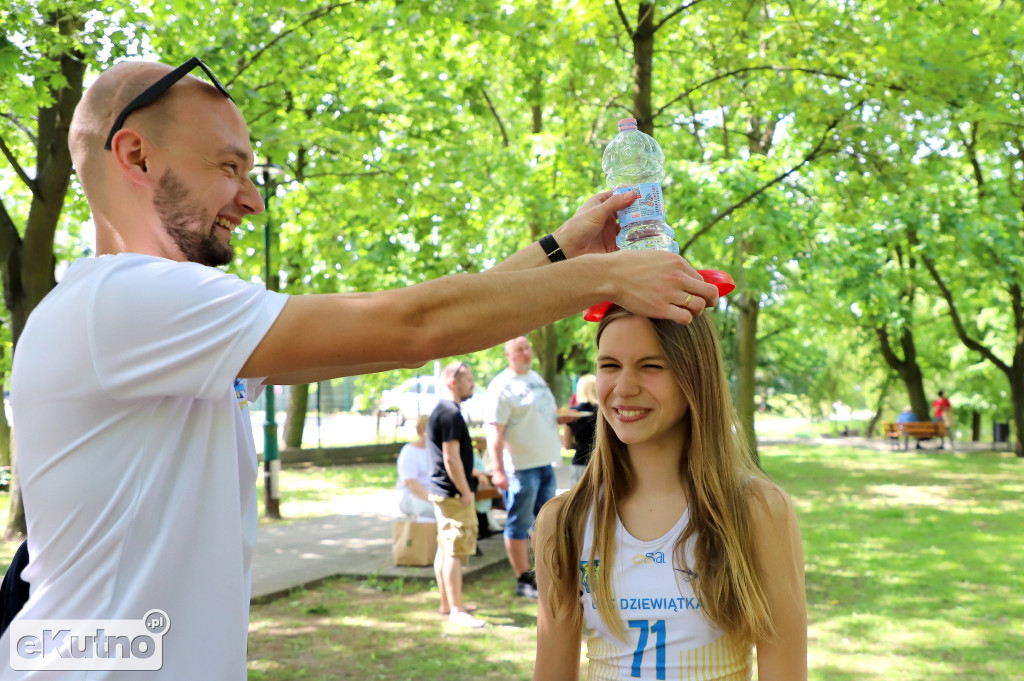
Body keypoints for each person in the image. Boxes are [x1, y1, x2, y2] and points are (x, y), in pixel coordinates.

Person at [0, 58, 718, 678]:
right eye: (229, 166)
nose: (250, 200)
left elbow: (414, 325)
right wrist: (613, 278)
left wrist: (562, 252)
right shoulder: (125, 302)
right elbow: (410, 325)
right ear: (136, 155)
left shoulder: (156, 329)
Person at [533, 306, 807, 681]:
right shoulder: (565, 519)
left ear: (695, 376)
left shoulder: (756, 510)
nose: (624, 387)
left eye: (651, 366)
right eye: (610, 365)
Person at [485, 336, 561, 599]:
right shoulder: (502, 386)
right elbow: (494, 432)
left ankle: (544, 574)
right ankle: (523, 580)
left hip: (544, 463)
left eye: (528, 348)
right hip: (520, 467)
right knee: (519, 523)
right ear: (508, 354)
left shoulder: (535, 378)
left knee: (545, 524)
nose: (526, 353)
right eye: (520, 350)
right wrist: (498, 470)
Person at [428, 361, 485, 628]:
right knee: (455, 550)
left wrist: (472, 474)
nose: (472, 383)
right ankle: (457, 610)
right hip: (452, 493)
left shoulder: (443, 410)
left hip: (442, 492)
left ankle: (447, 603)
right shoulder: (450, 413)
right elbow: (450, 458)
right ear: (454, 381)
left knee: (445, 547)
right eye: (468, 379)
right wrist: (465, 491)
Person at [562, 374, 599, 486]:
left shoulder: (572, 413)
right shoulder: (604, 411)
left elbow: (567, 445)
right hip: (601, 463)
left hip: (580, 463)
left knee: (580, 502)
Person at [397, 416, 435, 519]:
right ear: (423, 431)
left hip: (434, 495)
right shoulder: (409, 452)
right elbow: (411, 483)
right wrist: (432, 499)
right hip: (412, 497)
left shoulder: (435, 450)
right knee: (430, 511)